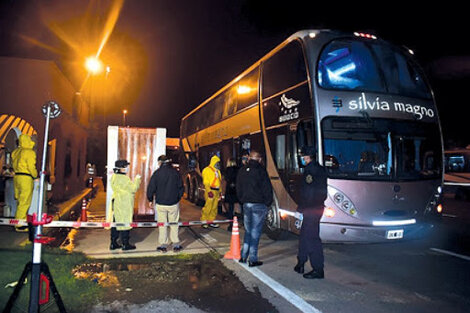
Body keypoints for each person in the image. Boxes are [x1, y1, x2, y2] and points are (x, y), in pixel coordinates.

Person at [294, 146, 328, 279]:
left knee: (312, 239)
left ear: (307, 157)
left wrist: (301, 208)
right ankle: (301, 262)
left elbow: (308, 193)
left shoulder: (310, 171)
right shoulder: (320, 169)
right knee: (304, 235)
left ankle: (318, 269)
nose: (302, 159)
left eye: (303, 157)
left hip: (311, 208)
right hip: (317, 207)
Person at [236, 150, 273, 267]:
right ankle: (252, 259)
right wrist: (268, 202)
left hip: (246, 204)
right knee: (255, 232)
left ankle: (243, 256)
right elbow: (267, 188)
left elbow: (238, 187)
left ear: (249, 158)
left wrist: (242, 199)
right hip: (258, 204)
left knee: (248, 231)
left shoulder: (242, 170)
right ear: (259, 159)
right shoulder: (261, 171)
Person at [147, 155, 184, 252]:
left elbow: (151, 188)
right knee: (174, 224)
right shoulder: (175, 173)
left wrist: (150, 199)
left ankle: (163, 245)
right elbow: (181, 187)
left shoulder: (157, 173)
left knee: (162, 224)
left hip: (161, 204)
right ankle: (176, 244)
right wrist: (177, 198)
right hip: (173, 203)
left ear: (160, 162)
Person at [109, 159, 141, 250]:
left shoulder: (114, 177)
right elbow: (133, 189)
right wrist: (137, 179)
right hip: (125, 203)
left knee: (116, 222)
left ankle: (113, 243)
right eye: (126, 167)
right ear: (121, 168)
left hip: (117, 201)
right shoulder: (125, 179)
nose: (127, 168)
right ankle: (125, 244)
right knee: (125, 222)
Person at [12, 134, 38, 232]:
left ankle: (18, 220)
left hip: (16, 177)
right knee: (25, 201)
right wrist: (35, 176)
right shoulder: (29, 152)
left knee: (19, 200)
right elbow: (31, 167)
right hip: (26, 178)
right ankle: (19, 224)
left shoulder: (16, 152)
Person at [200, 155, 222, 228]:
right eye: (217, 163)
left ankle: (211, 221)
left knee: (214, 208)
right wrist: (209, 191)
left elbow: (219, 182)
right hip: (211, 191)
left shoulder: (218, 171)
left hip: (216, 191)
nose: (218, 164)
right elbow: (206, 182)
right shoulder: (207, 170)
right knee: (208, 207)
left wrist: (220, 192)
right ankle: (204, 221)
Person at [223, 158, 239, 232]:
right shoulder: (238, 170)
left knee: (230, 207)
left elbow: (225, 180)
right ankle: (239, 220)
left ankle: (231, 223)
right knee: (238, 206)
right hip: (236, 190)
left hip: (229, 190)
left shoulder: (227, 170)